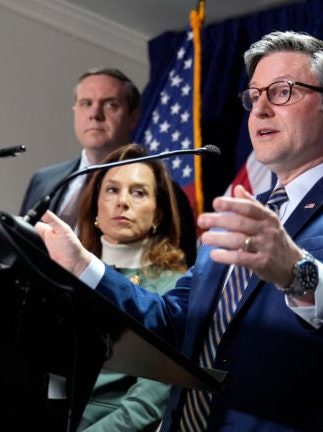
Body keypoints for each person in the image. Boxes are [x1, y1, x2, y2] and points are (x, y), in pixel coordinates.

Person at [36, 31, 323, 431]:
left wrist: (297, 273)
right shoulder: (240, 217)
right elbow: (172, 325)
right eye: (253, 96)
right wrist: (83, 265)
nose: (259, 110)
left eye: (281, 92)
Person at [20, 66, 197, 265]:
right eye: (86, 103)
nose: (95, 114)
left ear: (133, 118)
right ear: (75, 110)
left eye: (110, 105)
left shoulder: (165, 191)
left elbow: (180, 273)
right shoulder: (45, 180)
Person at [74, 144, 187, 431]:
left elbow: (147, 404)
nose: (122, 202)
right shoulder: (65, 271)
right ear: (95, 206)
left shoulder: (174, 288)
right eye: (112, 190)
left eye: (138, 192)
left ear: (158, 215)